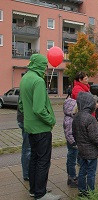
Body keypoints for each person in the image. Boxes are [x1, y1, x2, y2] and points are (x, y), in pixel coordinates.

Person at [19, 54, 60, 200]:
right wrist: (50, 120)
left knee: (34, 159)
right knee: (43, 160)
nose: (46, 68)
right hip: (41, 128)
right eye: (45, 65)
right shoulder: (38, 81)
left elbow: (21, 105)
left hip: (29, 127)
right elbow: (39, 109)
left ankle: (34, 189)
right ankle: (40, 193)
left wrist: (29, 118)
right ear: (40, 65)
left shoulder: (24, 78)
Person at [73, 92, 98, 197]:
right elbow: (94, 137)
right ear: (89, 104)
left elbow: (74, 134)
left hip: (81, 150)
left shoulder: (76, 116)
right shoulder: (90, 118)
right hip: (91, 152)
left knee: (82, 171)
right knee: (91, 173)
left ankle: (81, 191)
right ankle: (90, 192)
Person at [63, 97, 78, 188]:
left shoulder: (72, 118)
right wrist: (74, 143)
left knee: (72, 159)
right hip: (73, 144)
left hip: (75, 142)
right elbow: (68, 134)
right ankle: (72, 177)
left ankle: (72, 176)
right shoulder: (69, 120)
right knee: (72, 160)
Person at [17, 98, 31, 181]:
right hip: (26, 120)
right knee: (28, 148)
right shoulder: (26, 87)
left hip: (24, 119)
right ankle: (27, 174)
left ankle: (27, 173)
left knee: (27, 148)